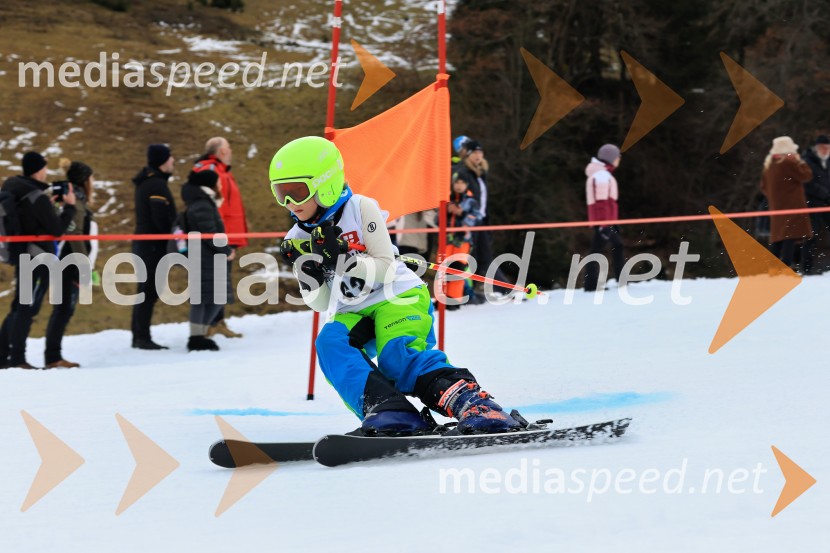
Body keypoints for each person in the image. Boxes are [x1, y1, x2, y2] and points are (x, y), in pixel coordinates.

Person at [271, 136, 520, 435]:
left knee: (396, 356)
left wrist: (344, 261)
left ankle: (474, 405)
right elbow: (322, 303)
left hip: (396, 295)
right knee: (330, 344)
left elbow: (386, 268)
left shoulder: (361, 208)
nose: (289, 204)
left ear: (325, 185)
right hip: (353, 308)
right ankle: (390, 411)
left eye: (296, 193)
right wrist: (309, 273)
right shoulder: (297, 236)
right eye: (280, 193)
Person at [0, 152, 77, 370]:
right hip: (37, 258)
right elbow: (57, 230)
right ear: (38, 169)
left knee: (18, 306)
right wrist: (69, 207)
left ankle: (3, 355)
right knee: (27, 308)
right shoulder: (37, 196)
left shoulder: (15, 188)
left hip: (22, 254)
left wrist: (47, 208)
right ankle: (18, 359)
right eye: (44, 167)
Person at [42, 158, 96, 369]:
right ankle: (53, 357)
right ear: (85, 181)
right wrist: (83, 267)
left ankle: (53, 355)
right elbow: (75, 235)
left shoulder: (73, 200)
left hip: (67, 258)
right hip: (69, 259)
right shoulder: (77, 203)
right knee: (63, 309)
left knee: (63, 309)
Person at [192, 137, 247, 339]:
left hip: (226, 233)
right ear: (221, 151)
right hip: (220, 235)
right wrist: (219, 239)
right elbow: (215, 205)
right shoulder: (213, 171)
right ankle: (209, 324)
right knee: (215, 279)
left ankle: (217, 321)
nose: (231, 151)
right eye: (228, 148)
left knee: (221, 279)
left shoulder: (220, 170)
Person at [181, 170, 234, 352]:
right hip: (204, 257)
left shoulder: (203, 202)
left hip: (207, 256)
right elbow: (210, 232)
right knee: (203, 298)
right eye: (218, 183)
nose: (220, 186)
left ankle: (200, 335)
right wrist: (226, 250)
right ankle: (196, 337)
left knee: (214, 297)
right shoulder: (202, 204)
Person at [131, 144, 177, 350]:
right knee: (148, 291)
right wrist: (174, 233)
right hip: (151, 245)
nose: (173, 161)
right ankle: (141, 337)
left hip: (147, 243)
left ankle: (140, 335)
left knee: (146, 291)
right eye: (170, 158)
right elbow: (161, 217)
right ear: (162, 160)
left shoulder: (150, 182)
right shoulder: (155, 185)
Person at [453, 139, 510, 295]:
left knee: (480, 258)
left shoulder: (480, 173)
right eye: (475, 153)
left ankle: (473, 291)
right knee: (475, 258)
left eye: (480, 152)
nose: (478, 156)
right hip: (468, 221)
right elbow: (459, 195)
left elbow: (483, 201)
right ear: (468, 155)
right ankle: (503, 289)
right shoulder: (463, 172)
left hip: (480, 220)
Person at [760, 136, 814, 270]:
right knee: (790, 236)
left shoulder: (769, 165)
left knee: (779, 238)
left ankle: (772, 266)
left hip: (776, 207)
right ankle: (785, 266)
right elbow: (806, 176)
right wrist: (800, 162)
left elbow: (763, 187)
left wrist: (776, 197)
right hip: (792, 206)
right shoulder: (787, 163)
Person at [583, 144, 624, 292]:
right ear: (610, 158)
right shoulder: (601, 176)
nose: (619, 159)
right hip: (604, 221)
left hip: (606, 221)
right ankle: (592, 285)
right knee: (600, 250)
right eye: (617, 156)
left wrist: (612, 222)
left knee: (613, 247)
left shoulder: (602, 174)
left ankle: (594, 284)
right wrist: (604, 225)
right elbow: (601, 203)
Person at [444, 172, 483, 307]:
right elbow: (437, 221)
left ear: (466, 185)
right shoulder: (447, 199)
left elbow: (476, 219)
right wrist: (447, 212)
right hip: (446, 241)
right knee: (443, 269)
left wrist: (461, 213)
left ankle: (454, 300)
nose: (459, 186)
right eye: (457, 182)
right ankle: (443, 299)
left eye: (462, 183)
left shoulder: (471, 201)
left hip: (463, 241)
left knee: (457, 269)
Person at [801, 134, 830, 274]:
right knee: (811, 235)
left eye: (827, 148)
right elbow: (808, 184)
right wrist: (825, 193)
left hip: (827, 203)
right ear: (816, 148)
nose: (824, 150)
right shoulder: (807, 161)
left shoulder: (828, 162)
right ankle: (806, 268)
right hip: (811, 203)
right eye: (822, 148)